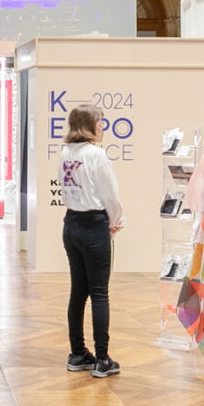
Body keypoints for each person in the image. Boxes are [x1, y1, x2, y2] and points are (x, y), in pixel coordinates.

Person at [57, 105, 124, 376]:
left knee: (78, 292)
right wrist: (116, 220)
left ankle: (77, 353)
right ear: (89, 125)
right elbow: (111, 196)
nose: (103, 128)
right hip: (94, 225)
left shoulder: (65, 153)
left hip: (71, 224)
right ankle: (102, 358)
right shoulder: (96, 155)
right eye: (100, 123)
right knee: (99, 293)